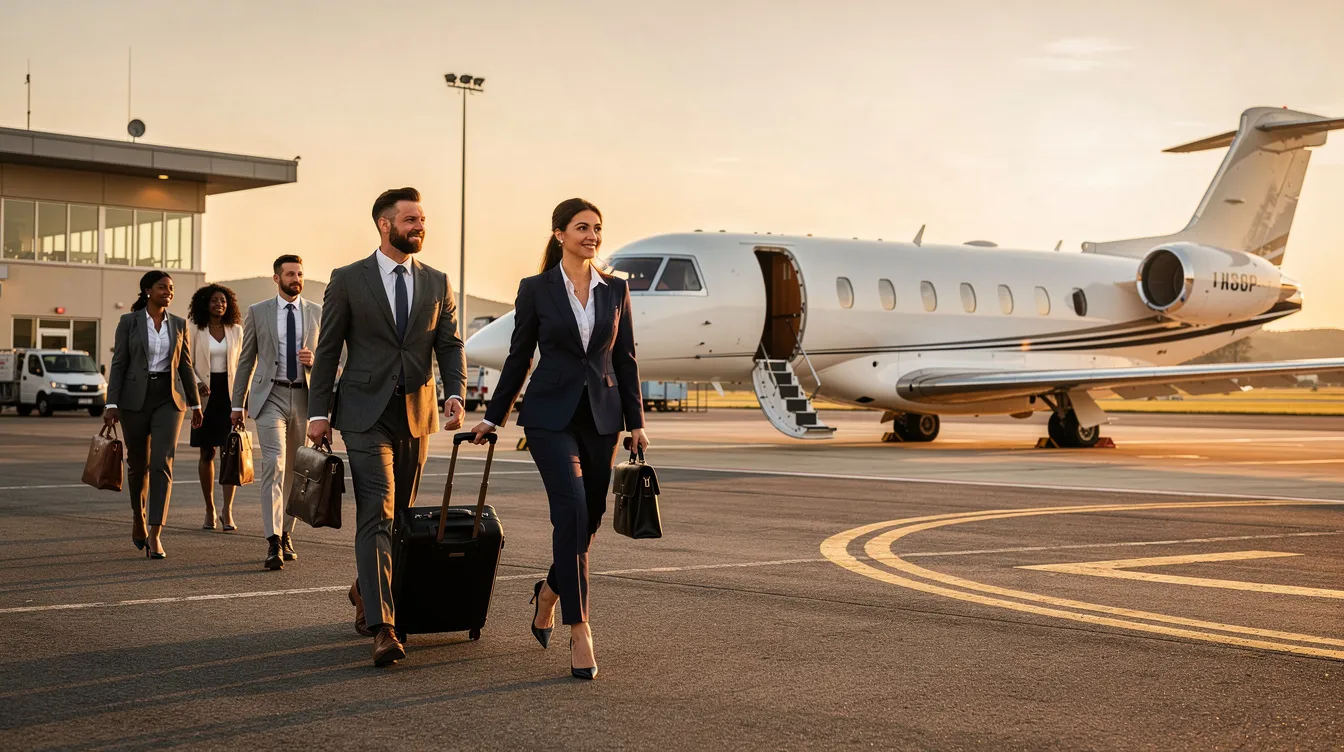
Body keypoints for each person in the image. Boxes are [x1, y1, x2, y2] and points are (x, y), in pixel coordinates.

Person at [470, 198, 649, 680]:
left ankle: (549, 591)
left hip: (603, 418)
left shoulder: (616, 289)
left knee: (590, 516)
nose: (592, 236)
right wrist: (493, 417)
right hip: (549, 417)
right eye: (582, 227)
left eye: (597, 228)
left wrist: (636, 422)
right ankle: (580, 628)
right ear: (559, 234)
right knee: (570, 510)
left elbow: (625, 359)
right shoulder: (536, 289)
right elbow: (519, 356)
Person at [307, 187, 467, 666]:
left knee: (401, 518)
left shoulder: (437, 281)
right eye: (411, 219)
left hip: (416, 413)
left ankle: (365, 588)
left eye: (422, 220)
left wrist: (455, 392)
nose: (420, 226)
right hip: (363, 413)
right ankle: (384, 627)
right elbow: (328, 348)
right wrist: (318, 412)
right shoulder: (347, 279)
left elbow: (450, 344)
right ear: (385, 224)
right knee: (377, 509)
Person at [104, 271, 203, 559]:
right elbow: (119, 363)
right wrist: (111, 403)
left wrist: (195, 405)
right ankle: (138, 515)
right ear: (148, 290)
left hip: (168, 399)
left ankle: (156, 532)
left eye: (171, 288)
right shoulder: (129, 322)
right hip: (133, 400)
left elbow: (185, 366)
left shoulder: (179, 324)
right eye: (162, 287)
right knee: (138, 465)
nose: (168, 292)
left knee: (162, 462)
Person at [231, 255, 321, 570]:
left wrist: (314, 360)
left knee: (298, 469)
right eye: (290, 274)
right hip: (270, 397)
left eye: (300, 274)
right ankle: (272, 541)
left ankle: (286, 533)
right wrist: (237, 403)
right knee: (274, 464)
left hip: (304, 398)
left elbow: (332, 358)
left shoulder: (316, 312)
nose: (296, 279)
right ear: (277, 278)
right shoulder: (258, 312)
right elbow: (246, 359)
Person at [188, 284, 243, 532]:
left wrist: (242, 401)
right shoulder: (194, 329)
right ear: (205, 304)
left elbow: (244, 365)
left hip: (229, 396)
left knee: (229, 454)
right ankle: (209, 508)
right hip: (204, 396)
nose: (219, 304)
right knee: (206, 453)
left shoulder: (236, 331)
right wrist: (197, 384)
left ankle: (227, 510)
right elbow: (184, 362)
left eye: (223, 301)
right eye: (214, 300)